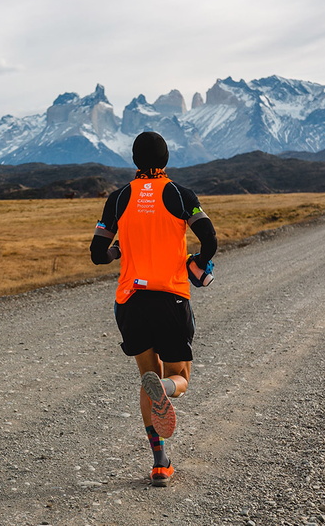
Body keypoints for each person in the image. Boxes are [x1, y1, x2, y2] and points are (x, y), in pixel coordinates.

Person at [89, 131, 218, 487]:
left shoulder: (118, 198)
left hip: (130, 302)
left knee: (146, 379)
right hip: (170, 298)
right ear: (165, 159)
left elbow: (98, 253)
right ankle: (165, 386)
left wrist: (120, 253)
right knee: (180, 379)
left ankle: (159, 461)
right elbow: (209, 238)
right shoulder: (179, 194)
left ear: (134, 159)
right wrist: (197, 262)